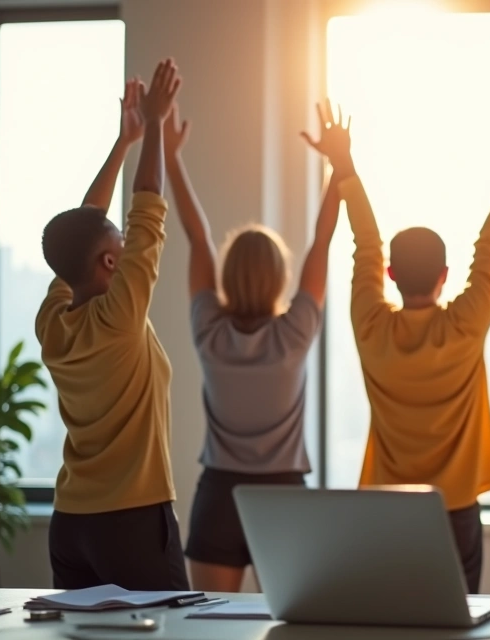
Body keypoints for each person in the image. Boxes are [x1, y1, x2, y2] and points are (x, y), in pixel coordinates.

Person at [312, 92, 490, 595]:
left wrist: (344, 163)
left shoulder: (371, 327)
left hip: (389, 510)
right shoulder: (466, 325)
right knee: (454, 622)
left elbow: (365, 245)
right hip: (456, 510)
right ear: (445, 276)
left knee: (393, 624)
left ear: (390, 275)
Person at [167, 101, 344, 592]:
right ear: (279, 277)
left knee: (208, 628)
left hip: (219, 494)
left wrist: (171, 157)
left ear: (227, 275)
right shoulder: (294, 333)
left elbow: (197, 238)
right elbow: (322, 241)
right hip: (284, 496)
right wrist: (338, 167)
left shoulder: (210, 331)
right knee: (289, 625)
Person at [36, 60, 187, 590]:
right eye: (118, 249)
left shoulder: (53, 322)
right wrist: (157, 123)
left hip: (71, 523)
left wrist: (123, 142)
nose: (127, 250)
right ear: (106, 264)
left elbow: (81, 230)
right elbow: (148, 210)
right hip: (133, 522)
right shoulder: (121, 315)